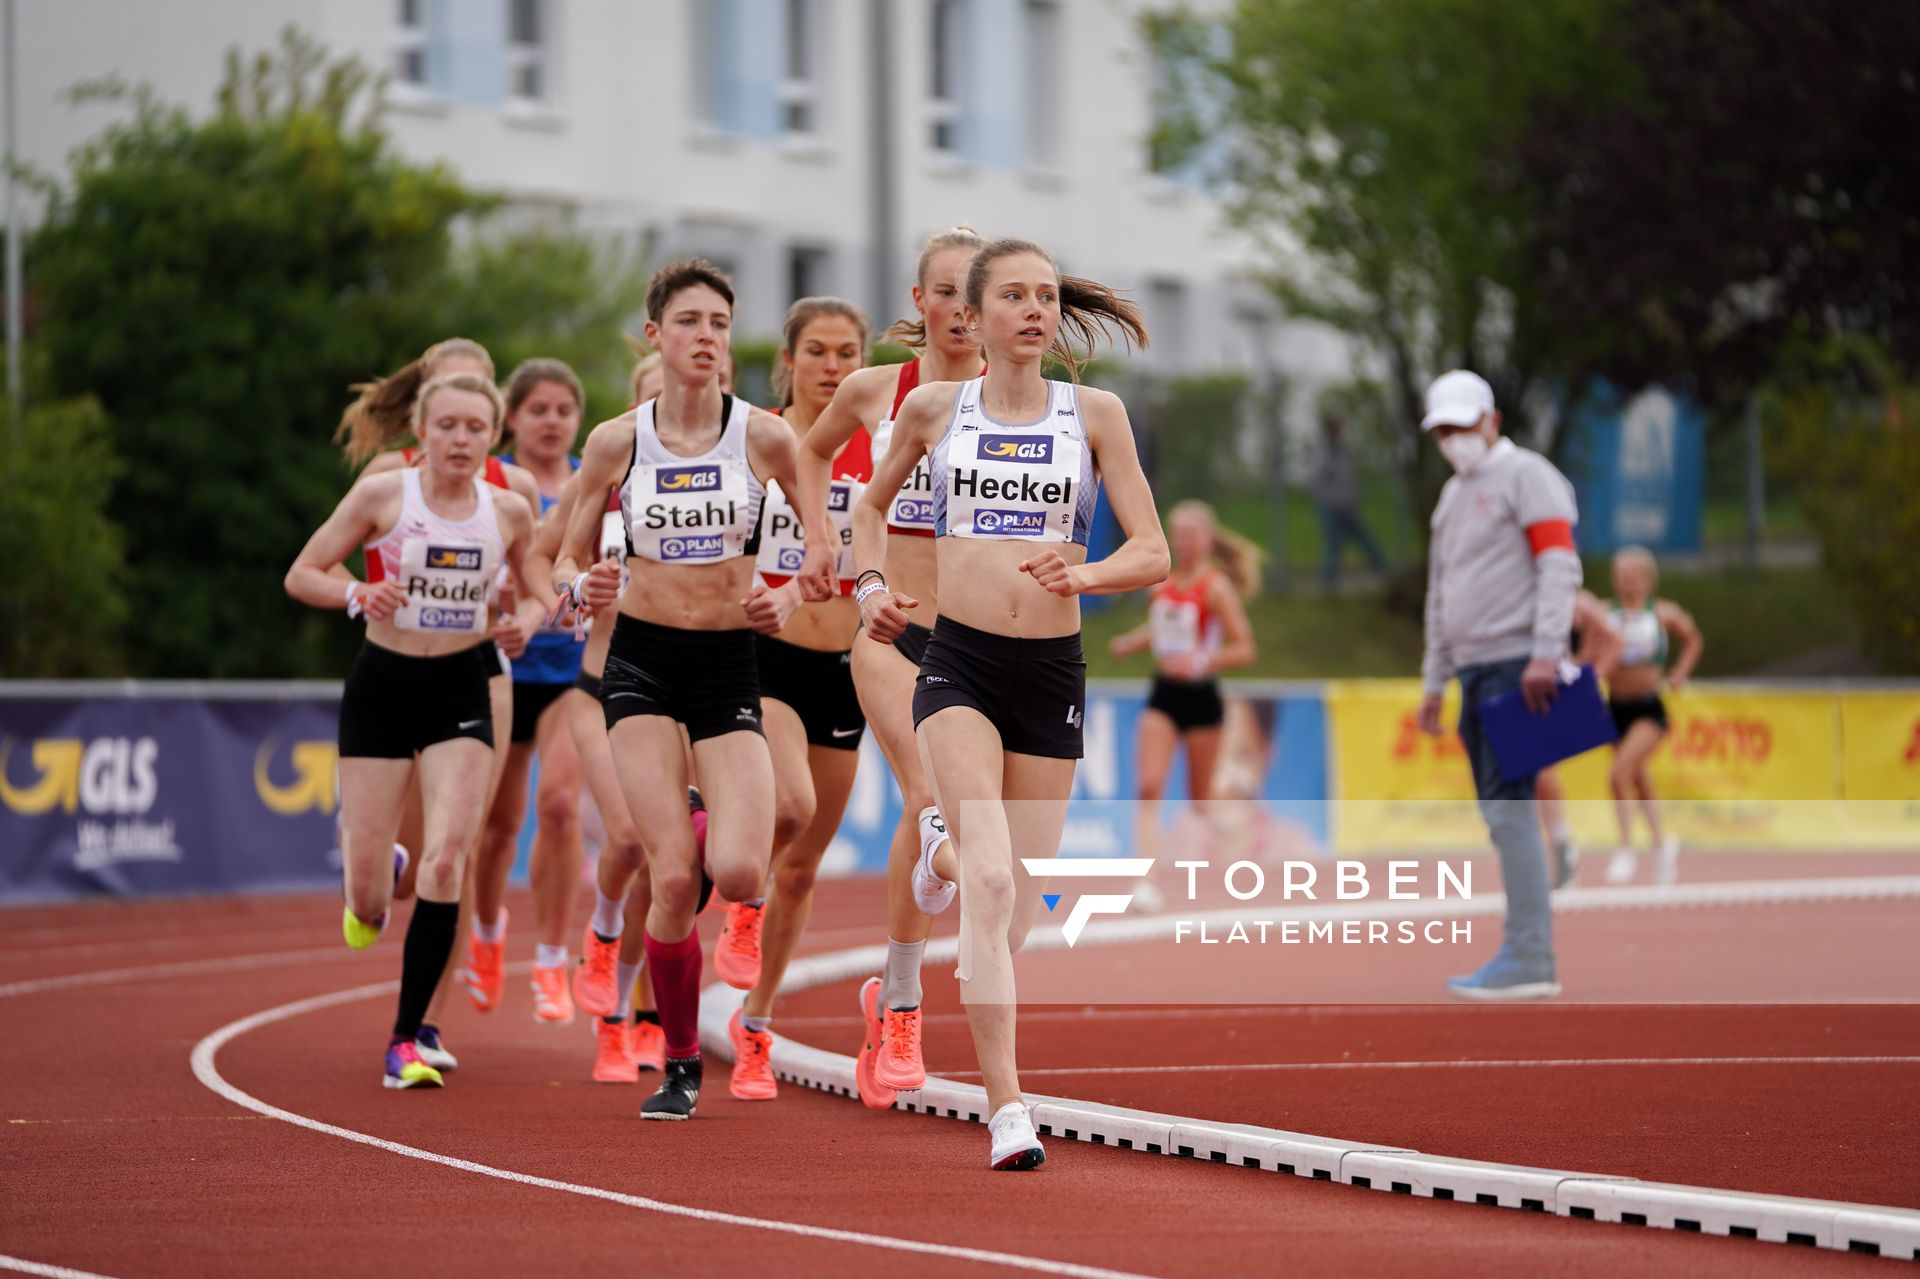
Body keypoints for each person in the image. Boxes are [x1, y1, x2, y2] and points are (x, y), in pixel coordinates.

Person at [855, 237, 1168, 1169]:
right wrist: (870, 585)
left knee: (1015, 905)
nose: (1035, 310)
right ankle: (1007, 1109)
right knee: (988, 886)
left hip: (1052, 674)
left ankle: (936, 862)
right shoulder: (933, 409)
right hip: (960, 665)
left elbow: (1153, 550)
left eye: (1046, 296)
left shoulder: (1096, 414)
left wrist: (1088, 572)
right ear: (976, 315)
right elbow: (869, 509)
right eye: (1015, 297)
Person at [555, 259, 835, 1120]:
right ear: (655, 336)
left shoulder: (765, 438)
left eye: (719, 322)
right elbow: (558, 555)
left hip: (726, 666)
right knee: (673, 882)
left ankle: (704, 817)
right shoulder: (616, 441)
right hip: (639, 665)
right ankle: (679, 1060)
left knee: (743, 868)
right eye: (689, 322)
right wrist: (580, 588)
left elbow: (823, 554)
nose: (707, 337)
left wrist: (784, 592)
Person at [286, 373, 535, 1088]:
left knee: (449, 856)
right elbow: (303, 572)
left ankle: (407, 1040)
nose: (461, 439)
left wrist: (527, 616)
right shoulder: (382, 496)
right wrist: (358, 592)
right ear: (419, 432)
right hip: (384, 687)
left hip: (462, 686)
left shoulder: (510, 510)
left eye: (475, 428)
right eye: (447, 425)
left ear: (493, 436)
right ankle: (375, 870)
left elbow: (540, 580)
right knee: (367, 902)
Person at [796, 227, 983, 1107]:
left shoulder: (1027, 406)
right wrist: (821, 536)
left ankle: (890, 984)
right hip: (887, 630)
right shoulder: (876, 391)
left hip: (985, 643)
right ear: (919, 301)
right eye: (944, 291)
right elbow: (807, 452)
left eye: (975, 293)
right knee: (928, 794)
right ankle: (906, 1006)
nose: (960, 309)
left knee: (953, 822)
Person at [725, 297, 876, 1101]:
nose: (831, 365)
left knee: (805, 863)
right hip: (764, 654)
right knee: (789, 805)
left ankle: (756, 1021)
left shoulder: (879, 445)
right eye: (816, 350)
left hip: (844, 666)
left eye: (847, 352)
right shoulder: (759, 440)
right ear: (788, 360)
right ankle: (737, 899)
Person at [1415, 369, 1580, 1001]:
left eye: (1463, 425)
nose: (1455, 439)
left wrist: (1545, 652)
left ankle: (1530, 954)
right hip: (1476, 671)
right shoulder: (1452, 497)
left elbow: (1558, 561)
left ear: (1493, 420)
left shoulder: (1528, 475)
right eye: (1444, 431)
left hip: (1517, 664)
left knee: (1511, 811)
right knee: (1502, 813)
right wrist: (1435, 681)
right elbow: (1442, 594)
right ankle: (1527, 950)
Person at [1108, 499, 1258, 867]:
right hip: (1163, 693)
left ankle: (1237, 830)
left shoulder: (1216, 588)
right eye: (1180, 535)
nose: (1185, 543)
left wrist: (1201, 661)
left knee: (1200, 802)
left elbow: (1244, 648)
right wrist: (1132, 641)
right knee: (1148, 787)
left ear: (1207, 539)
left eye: (1192, 535)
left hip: (1201, 698)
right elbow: (1159, 628)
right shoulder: (1161, 586)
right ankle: (1145, 879)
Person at [1600, 547, 1703, 886]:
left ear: (1647, 579)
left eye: (1633, 577)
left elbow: (1693, 639)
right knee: (1639, 778)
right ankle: (1661, 846)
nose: (1627, 584)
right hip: (1615, 707)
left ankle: (1626, 847)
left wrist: (1679, 673)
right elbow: (1586, 641)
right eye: (1622, 577)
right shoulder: (1606, 613)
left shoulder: (1662, 613)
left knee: (1619, 774)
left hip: (1647, 707)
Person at [1535, 588, 1620, 887]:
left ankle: (1561, 849)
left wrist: (1590, 679)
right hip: (1522, 693)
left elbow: (1614, 639)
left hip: (1557, 696)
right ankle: (1553, 849)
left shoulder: (1578, 601)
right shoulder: (1518, 593)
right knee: (1528, 779)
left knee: (1542, 773)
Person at [1310, 415, 1388, 588]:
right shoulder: (1325, 452)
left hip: (1348, 506)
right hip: (1332, 507)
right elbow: (1316, 478)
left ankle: (1383, 569)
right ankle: (1329, 581)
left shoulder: (1343, 451)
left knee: (1365, 539)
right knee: (1333, 545)